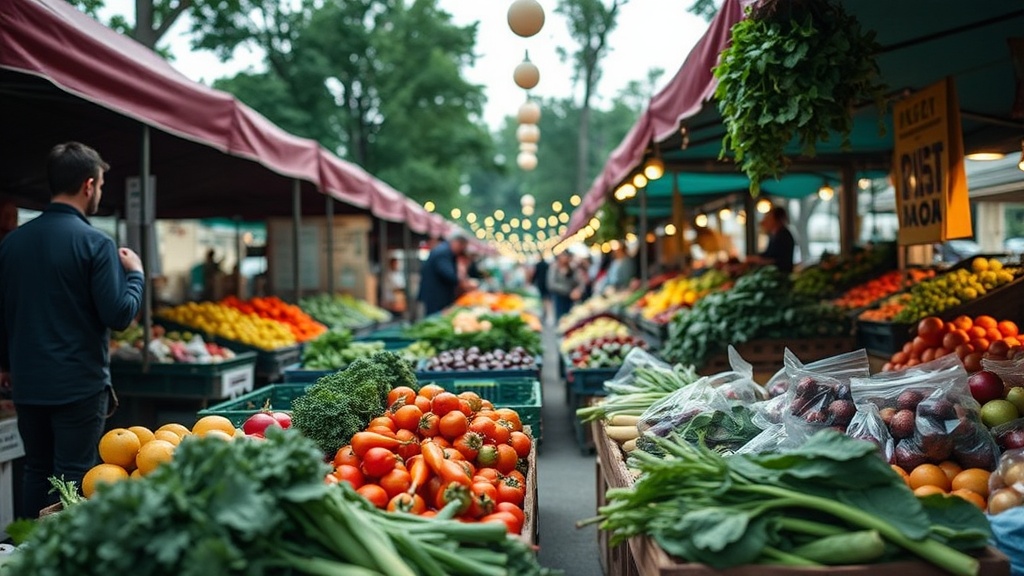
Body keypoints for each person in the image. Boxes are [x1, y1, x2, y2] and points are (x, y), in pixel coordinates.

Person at [0, 142, 144, 516]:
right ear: (88, 185)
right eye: (100, 186)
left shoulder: (12, 243)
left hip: (28, 384)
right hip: (78, 384)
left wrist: (6, 366)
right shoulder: (95, 243)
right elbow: (119, 315)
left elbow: (3, 313)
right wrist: (136, 276)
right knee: (74, 474)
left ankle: (27, 554)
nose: (99, 192)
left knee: (35, 470)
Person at [418, 230, 473, 316]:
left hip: (437, 296)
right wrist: (461, 268)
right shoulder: (443, 253)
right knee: (434, 321)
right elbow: (450, 276)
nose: (462, 250)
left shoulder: (444, 251)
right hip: (436, 297)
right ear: (458, 243)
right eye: (463, 247)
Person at [748, 205, 796, 273]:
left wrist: (755, 260)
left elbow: (777, 261)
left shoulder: (784, 236)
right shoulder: (774, 235)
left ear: (777, 220)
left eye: (768, 218)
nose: (764, 221)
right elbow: (768, 254)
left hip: (781, 276)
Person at [546, 251, 578, 320]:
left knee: (571, 316)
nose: (565, 258)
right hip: (559, 296)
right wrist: (567, 289)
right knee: (560, 317)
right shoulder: (554, 268)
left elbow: (577, 281)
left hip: (570, 297)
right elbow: (551, 284)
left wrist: (576, 290)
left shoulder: (572, 267)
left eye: (566, 256)